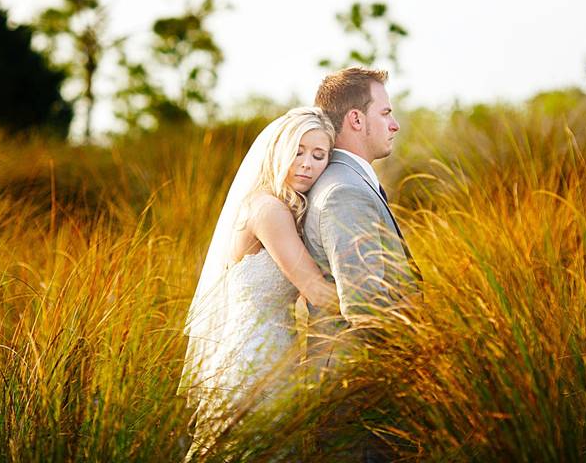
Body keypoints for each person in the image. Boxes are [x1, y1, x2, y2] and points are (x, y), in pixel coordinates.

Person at [179, 107, 341, 460]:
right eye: (298, 151)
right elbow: (314, 289)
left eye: (319, 155)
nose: (307, 163)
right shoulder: (269, 210)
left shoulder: (281, 205)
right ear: (278, 149)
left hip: (273, 351)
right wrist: (384, 309)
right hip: (254, 361)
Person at [302, 67, 422, 461]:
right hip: (360, 391)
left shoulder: (347, 182)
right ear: (356, 119)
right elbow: (365, 305)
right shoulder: (343, 193)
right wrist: (429, 357)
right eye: (385, 113)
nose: (395, 124)